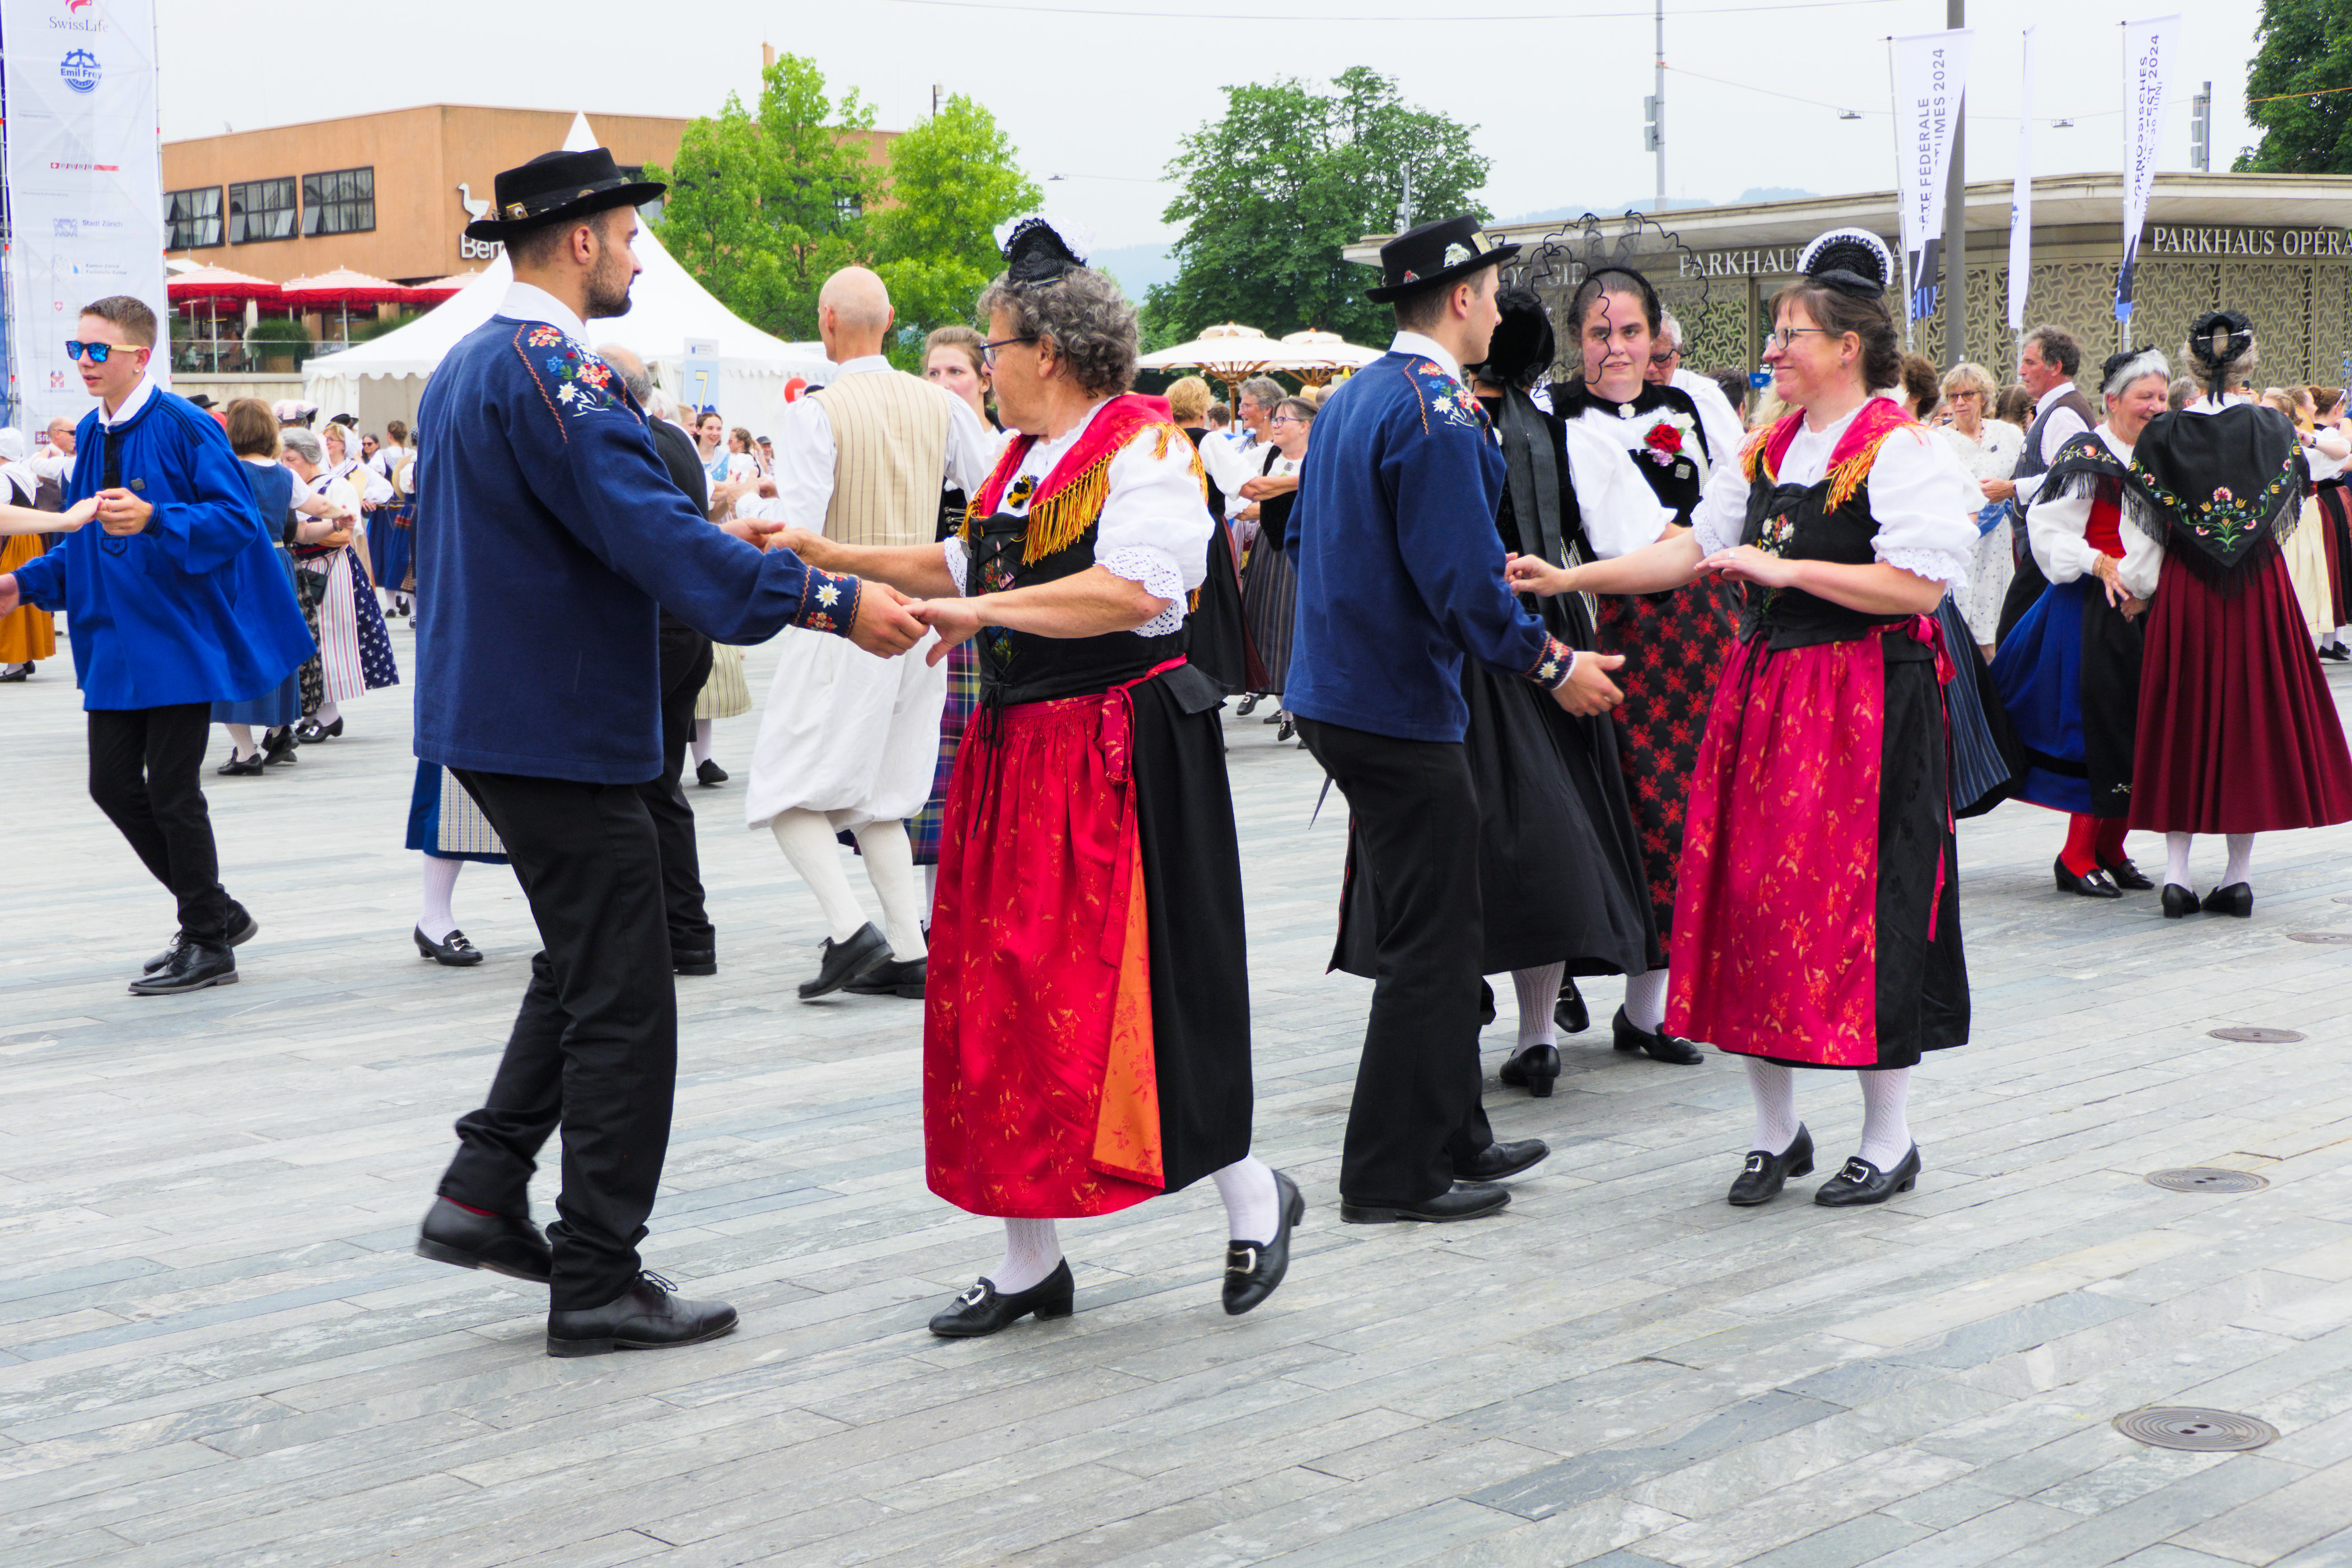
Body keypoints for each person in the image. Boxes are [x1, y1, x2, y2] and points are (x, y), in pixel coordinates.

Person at [405, 147, 926, 1356]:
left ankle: (483, 1188)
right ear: (579, 240)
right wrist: (832, 600)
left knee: (590, 959)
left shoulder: (477, 363)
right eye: (630, 235)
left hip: (511, 715)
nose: (638, 253)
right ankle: (596, 1270)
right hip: (557, 722)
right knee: (629, 996)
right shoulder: (554, 370)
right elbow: (651, 535)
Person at [769, 216, 1292, 1333]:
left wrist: (982, 610)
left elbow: (1138, 591)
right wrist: (826, 554)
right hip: (1023, 751)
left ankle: (1251, 1189)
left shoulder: (1148, 446)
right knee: (999, 992)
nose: (981, 367)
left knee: (1133, 990)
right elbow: (953, 561)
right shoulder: (1015, 462)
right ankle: (1027, 1259)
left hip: (1119, 751)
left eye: (994, 347)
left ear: (1046, 352)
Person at [1510, 227, 1978, 1209]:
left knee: (1863, 911)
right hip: (1769, 700)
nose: (1773, 350)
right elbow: (1685, 552)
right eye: (1775, 333)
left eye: (1791, 333)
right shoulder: (1767, 445)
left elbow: (1918, 591)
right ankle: (1777, 1131)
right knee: (1758, 905)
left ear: (1847, 346)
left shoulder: (1902, 449)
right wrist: (1572, 577)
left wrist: (1786, 568)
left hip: (1865, 703)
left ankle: (1890, 1138)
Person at [1291, 214, 1626, 1226]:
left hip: (1348, 694)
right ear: (1465, 298)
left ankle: (1454, 1134)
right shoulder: (1436, 411)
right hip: (1391, 704)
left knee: (1447, 913)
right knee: (1433, 941)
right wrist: (1553, 661)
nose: (1497, 306)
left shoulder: (1361, 395)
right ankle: (1392, 1171)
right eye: (1490, 288)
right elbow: (1464, 586)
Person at [1329, 283, 1661, 1098]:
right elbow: (1608, 534)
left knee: (1474, 848)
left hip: (1455, 647)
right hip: (1529, 636)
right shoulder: (1511, 420)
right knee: (1542, 839)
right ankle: (1532, 1032)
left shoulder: (1378, 401)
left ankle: (1479, 1037)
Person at [0, 295, 313, 993]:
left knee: (173, 791)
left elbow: (239, 519)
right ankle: (217, 912)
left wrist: (156, 517)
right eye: (77, 348)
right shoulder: (91, 430)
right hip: (115, 641)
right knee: (111, 785)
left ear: (139, 356)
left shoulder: (184, 425)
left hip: (178, 634)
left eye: (97, 350)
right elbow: (85, 538)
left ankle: (209, 938)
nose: (83, 361)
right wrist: (23, 585)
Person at [746, 265, 996, 1002]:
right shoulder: (942, 405)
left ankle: (850, 928)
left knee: (784, 789)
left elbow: (801, 531)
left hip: (843, 615)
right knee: (883, 794)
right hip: (921, 616)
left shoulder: (815, 411)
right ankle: (908, 949)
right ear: (889, 319)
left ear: (827, 321)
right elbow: (989, 499)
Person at [1551, 263, 1731, 1067]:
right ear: (1576, 343)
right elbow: (1619, 529)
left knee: (1690, 810)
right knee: (1628, 807)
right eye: (1599, 334)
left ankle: (1652, 1007)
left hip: (1709, 626)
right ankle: (1572, 985)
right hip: (1612, 622)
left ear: (1656, 335)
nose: (1617, 348)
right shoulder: (1553, 414)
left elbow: (1736, 502)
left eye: (1630, 331)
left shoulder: (1697, 401)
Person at [2126, 311, 2352, 917]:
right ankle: (2238, 875)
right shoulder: (2271, 428)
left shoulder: (2163, 432)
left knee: (2181, 716)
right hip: (2257, 591)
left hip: (2184, 591)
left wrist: (2137, 587)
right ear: (2248, 364)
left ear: (2192, 366)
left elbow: (2141, 534)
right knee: (2245, 716)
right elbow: (2297, 505)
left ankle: (2176, 875)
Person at [1990, 351, 2171, 900]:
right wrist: (2096, 562)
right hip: (2091, 608)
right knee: (2097, 728)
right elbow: (2048, 527)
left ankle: (2112, 848)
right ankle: (2076, 855)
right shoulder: (2088, 453)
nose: (2156, 406)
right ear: (2113, 400)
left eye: (2162, 397)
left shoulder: (2161, 454)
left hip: (2143, 608)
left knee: (2139, 729)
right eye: (2146, 396)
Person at [600, 344, 725, 978]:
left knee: (626, 791)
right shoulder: (672, 439)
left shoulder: (629, 445)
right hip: (684, 634)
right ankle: (685, 931)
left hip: (651, 634)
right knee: (660, 787)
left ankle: (646, 932)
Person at [209, 400, 343, 776]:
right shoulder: (285, 474)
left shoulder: (228, 470)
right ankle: (281, 731)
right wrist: (340, 515)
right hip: (279, 563)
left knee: (232, 651)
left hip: (240, 565)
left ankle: (245, 750)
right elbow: (315, 503)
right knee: (279, 645)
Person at [281, 426, 399, 743]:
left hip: (331, 571)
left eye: (291, 458)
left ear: (308, 458)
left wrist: (305, 531)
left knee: (329, 641)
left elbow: (345, 533)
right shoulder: (295, 489)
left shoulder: (337, 486)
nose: (286, 464)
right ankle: (312, 713)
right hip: (300, 569)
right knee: (308, 642)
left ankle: (328, 716)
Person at [1985, 326, 2092, 642]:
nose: (2021, 371)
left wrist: (2010, 488)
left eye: (2030, 362)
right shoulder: (2058, 410)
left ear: (2055, 367)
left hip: (2048, 545)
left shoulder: (2062, 415)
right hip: (2043, 544)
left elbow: (2070, 477)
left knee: (2012, 636)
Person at [1165, 373, 1259, 698]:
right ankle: (1208, 688)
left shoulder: (1159, 439)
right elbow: (1248, 487)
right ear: (1203, 407)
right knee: (1209, 612)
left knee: (1177, 611)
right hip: (1206, 534)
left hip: (1168, 534)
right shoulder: (1210, 440)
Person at [1233, 395, 1313, 739]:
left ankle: (1300, 708)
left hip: (1307, 551)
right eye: (1275, 419)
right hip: (1271, 547)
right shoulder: (1263, 456)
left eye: (1283, 420)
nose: (1275, 425)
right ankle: (1286, 705)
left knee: (1299, 627)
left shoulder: (1318, 458)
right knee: (1266, 623)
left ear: (1305, 426)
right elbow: (1242, 499)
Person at [1937, 361, 2024, 658]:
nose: (1959, 402)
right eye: (1953, 397)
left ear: (1983, 397)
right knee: (1957, 634)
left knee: (1995, 633)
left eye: (1967, 395)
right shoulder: (1938, 440)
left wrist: (2007, 489)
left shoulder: (2008, 435)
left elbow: (2026, 478)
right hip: (1958, 541)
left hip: (1996, 545)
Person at [1650, 310, 1747, 466]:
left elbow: (1736, 464)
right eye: (1643, 359)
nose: (1651, 369)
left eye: (1661, 359)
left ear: (1678, 353)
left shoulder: (1703, 395)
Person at [0, 429, 60, 681]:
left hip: (13, 539)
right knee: (24, 595)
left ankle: (15, 664)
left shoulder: (3, 475)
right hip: (30, 538)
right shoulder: (22, 471)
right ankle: (23, 659)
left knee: (8, 596)